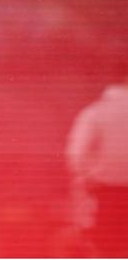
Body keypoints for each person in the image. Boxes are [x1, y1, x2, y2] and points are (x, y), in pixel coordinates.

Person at [66, 77, 128, 257]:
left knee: (108, 249)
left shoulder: (94, 113)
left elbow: (76, 154)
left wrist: (87, 178)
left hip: (105, 194)